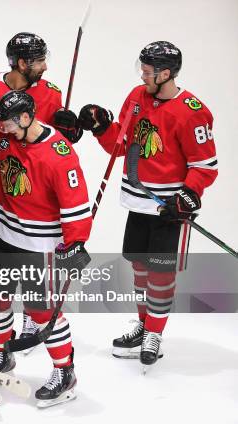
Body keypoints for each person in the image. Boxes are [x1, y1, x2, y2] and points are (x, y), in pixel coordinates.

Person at [78, 41, 218, 370]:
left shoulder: (193, 111)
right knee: (139, 268)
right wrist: (100, 128)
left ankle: (154, 333)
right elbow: (121, 145)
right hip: (138, 202)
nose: (142, 75)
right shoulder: (137, 96)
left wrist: (187, 196)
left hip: (169, 209)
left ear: (165, 73)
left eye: (147, 70)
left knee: (160, 273)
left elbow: (205, 166)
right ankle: (144, 326)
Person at [0, 32, 82, 368]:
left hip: (34, 214)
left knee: (37, 303)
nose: (45, 67)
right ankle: (0, 348)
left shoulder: (51, 93)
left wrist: (71, 131)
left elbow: (53, 147)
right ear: (21, 63)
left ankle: (52, 351)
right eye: (39, 60)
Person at [0, 90, 92, 407]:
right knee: (0, 297)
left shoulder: (59, 154)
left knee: (41, 311)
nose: (1, 129)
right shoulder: (4, 138)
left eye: (6, 123)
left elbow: (76, 205)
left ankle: (65, 373)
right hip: (3, 232)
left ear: (25, 118)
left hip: (38, 243)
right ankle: (3, 353)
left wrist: (75, 243)